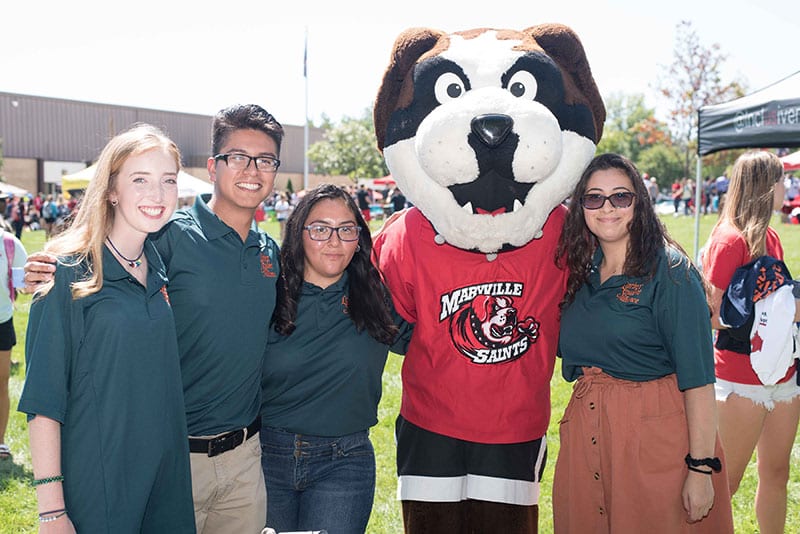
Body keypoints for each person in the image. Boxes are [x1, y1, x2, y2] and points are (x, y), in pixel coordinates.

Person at [23, 104, 284, 533]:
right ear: (214, 166)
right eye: (238, 156)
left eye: (167, 181)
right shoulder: (165, 239)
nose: (252, 169)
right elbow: (46, 396)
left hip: (228, 462)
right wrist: (52, 268)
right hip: (148, 461)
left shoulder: (265, 252)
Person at [18, 123, 195, 532]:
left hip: (166, 485)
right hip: (100, 489)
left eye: (168, 180)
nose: (158, 194)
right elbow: (44, 402)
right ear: (111, 189)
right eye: (140, 180)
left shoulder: (160, 264)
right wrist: (51, 511)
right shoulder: (64, 274)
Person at [553, 153, 733, 533]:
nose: (607, 208)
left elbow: (699, 379)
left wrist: (701, 469)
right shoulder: (579, 271)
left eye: (621, 197)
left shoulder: (670, 272)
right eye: (594, 197)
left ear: (640, 201)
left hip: (654, 439)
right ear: (581, 206)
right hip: (588, 435)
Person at [260, 184, 411, 534]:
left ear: (358, 238)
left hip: (344, 462)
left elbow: (429, 339)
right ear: (299, 233)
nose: (334, 240)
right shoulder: (268, 294)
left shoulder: (376, 296)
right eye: (320, 229)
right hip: (267, 457)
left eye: (346, 229)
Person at [702, 151, 800, 534]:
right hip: (740, 380)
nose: (786, 188)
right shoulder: (729, 240)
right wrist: (765, 315)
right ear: (765, 186)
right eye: (781, 181)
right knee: (723, 485)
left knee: (776, 474)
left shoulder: (771, 237)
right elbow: (708, 313)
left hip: (783, 375)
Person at [0, 229, 26, 460]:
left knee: (1, 382)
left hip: (2, 320)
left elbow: (25, 283)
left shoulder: (8, 243)